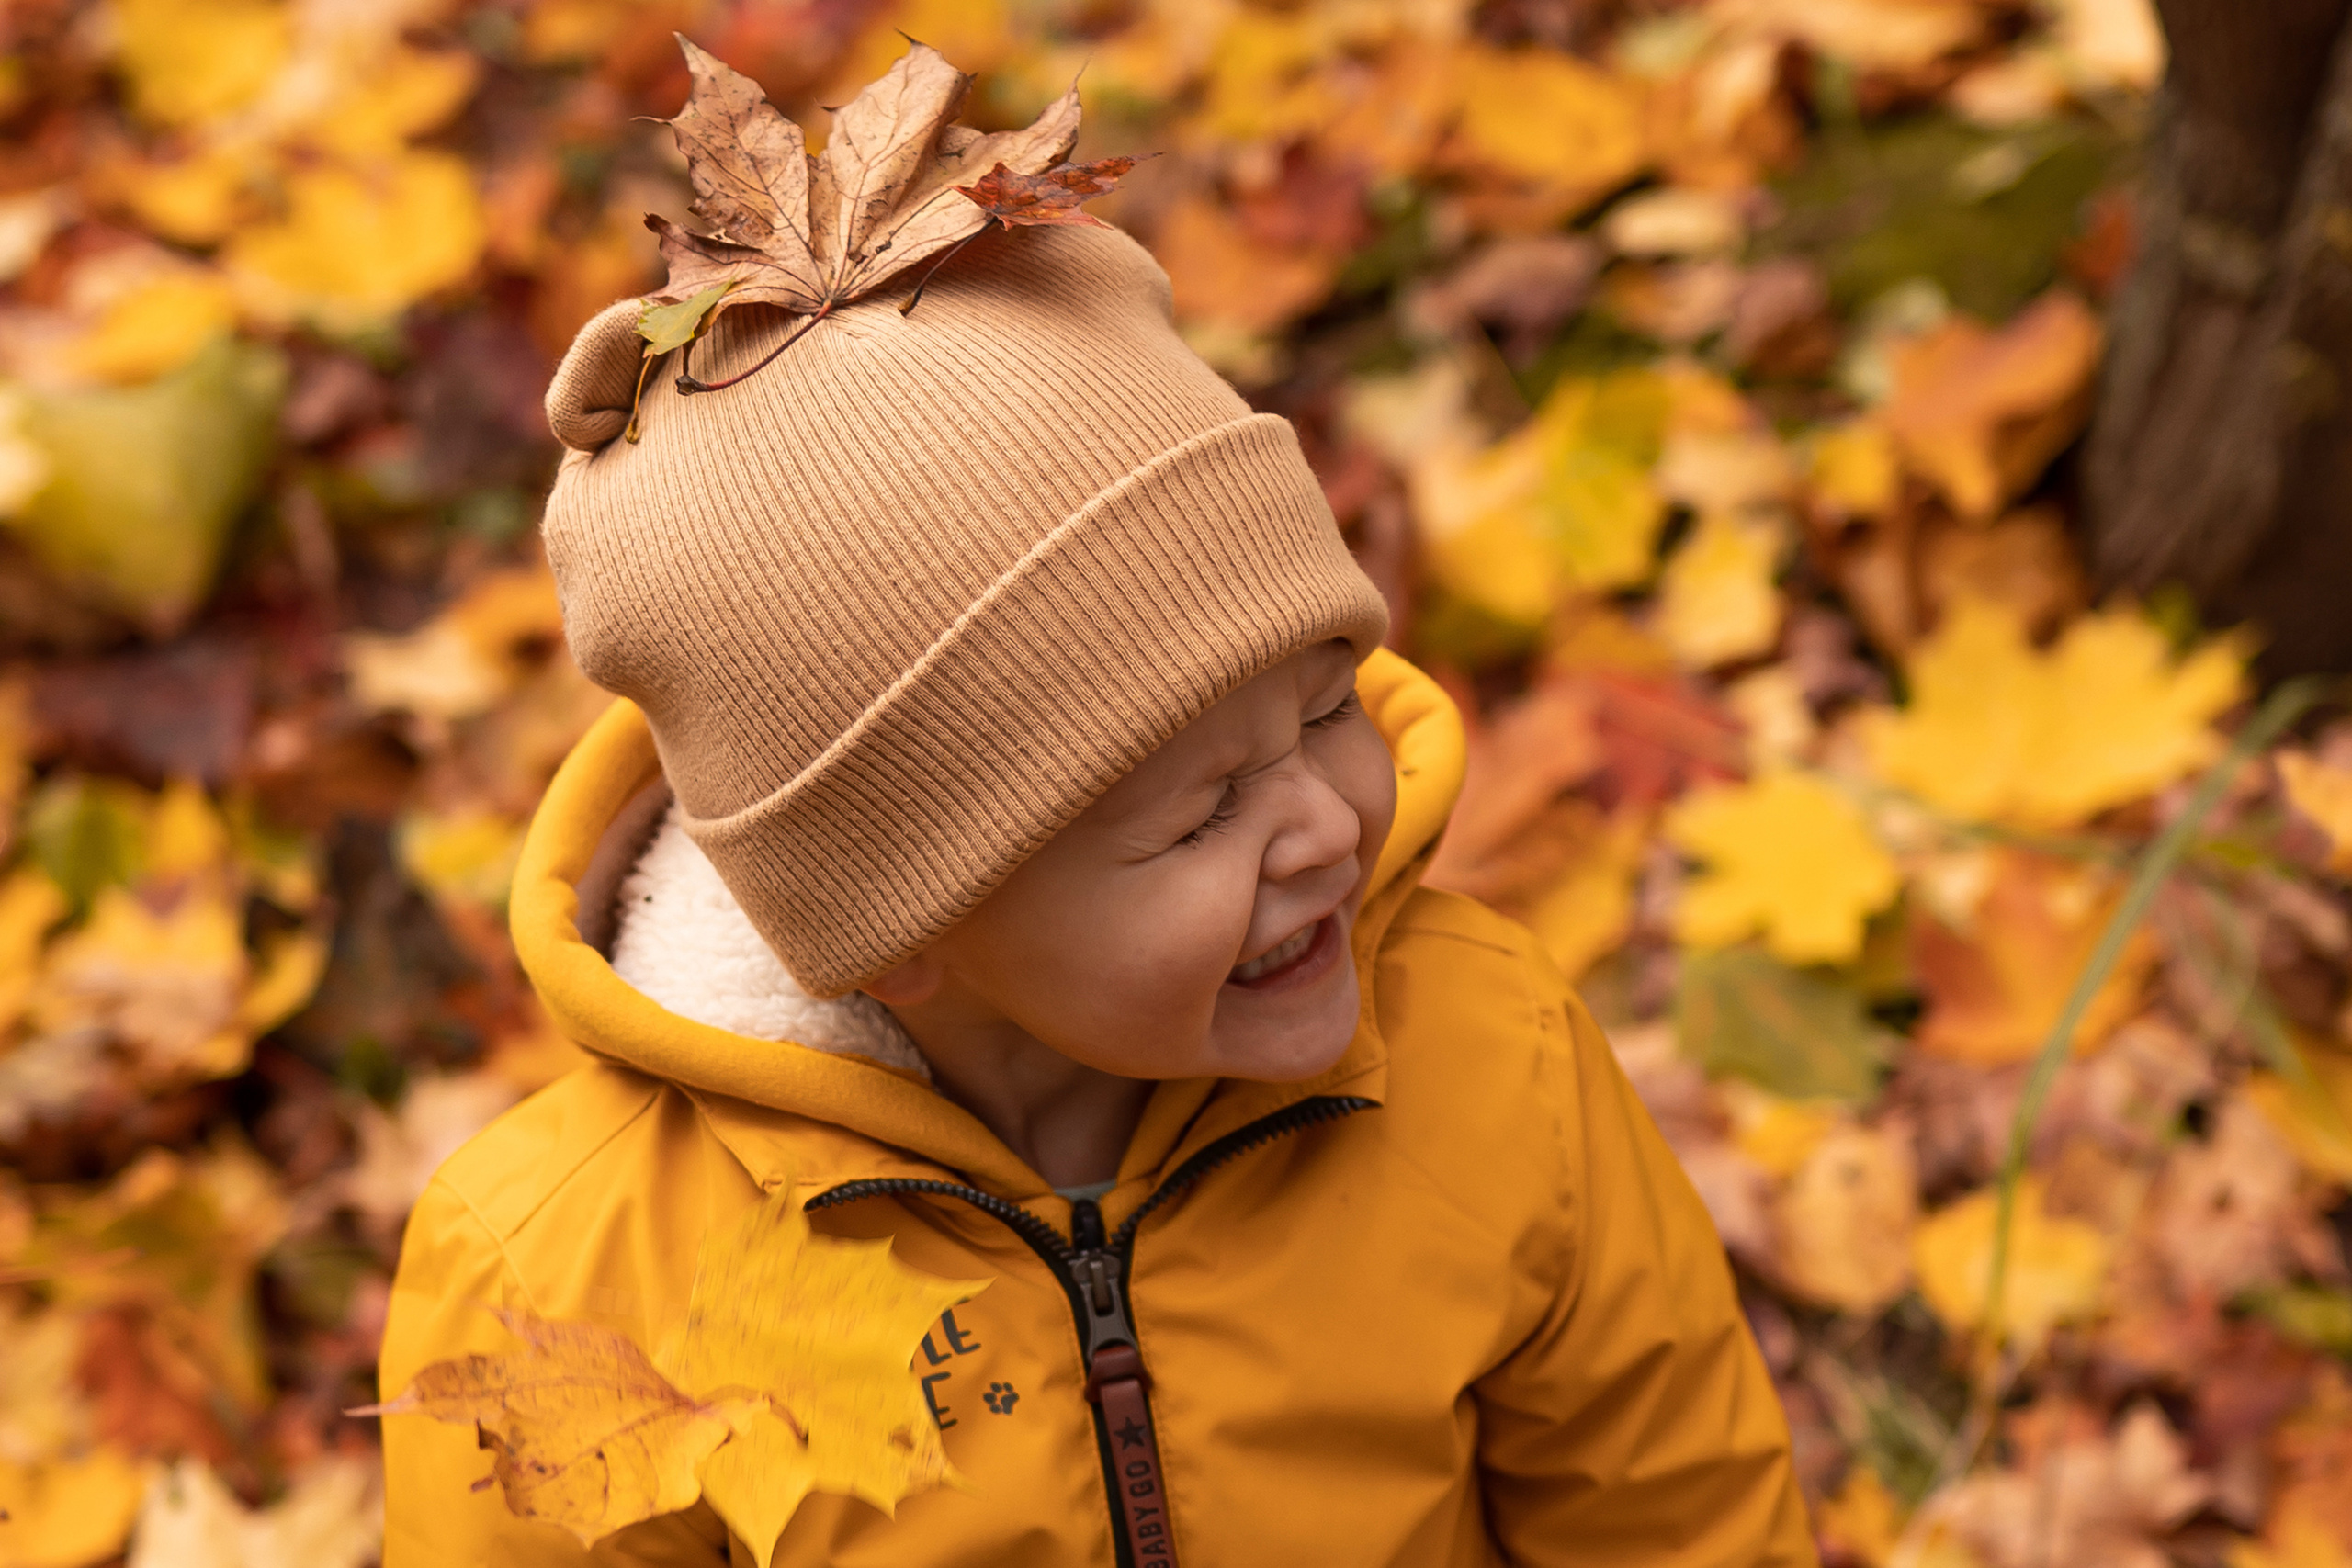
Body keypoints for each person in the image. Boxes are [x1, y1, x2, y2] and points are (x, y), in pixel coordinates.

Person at [378, 212, 1817, 1566]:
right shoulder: (571, 1273)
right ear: (898, 931)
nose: (1320, 825)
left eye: (1323, 708)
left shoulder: (1483, 1058)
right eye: (1198, 814)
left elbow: (1678, 1521)